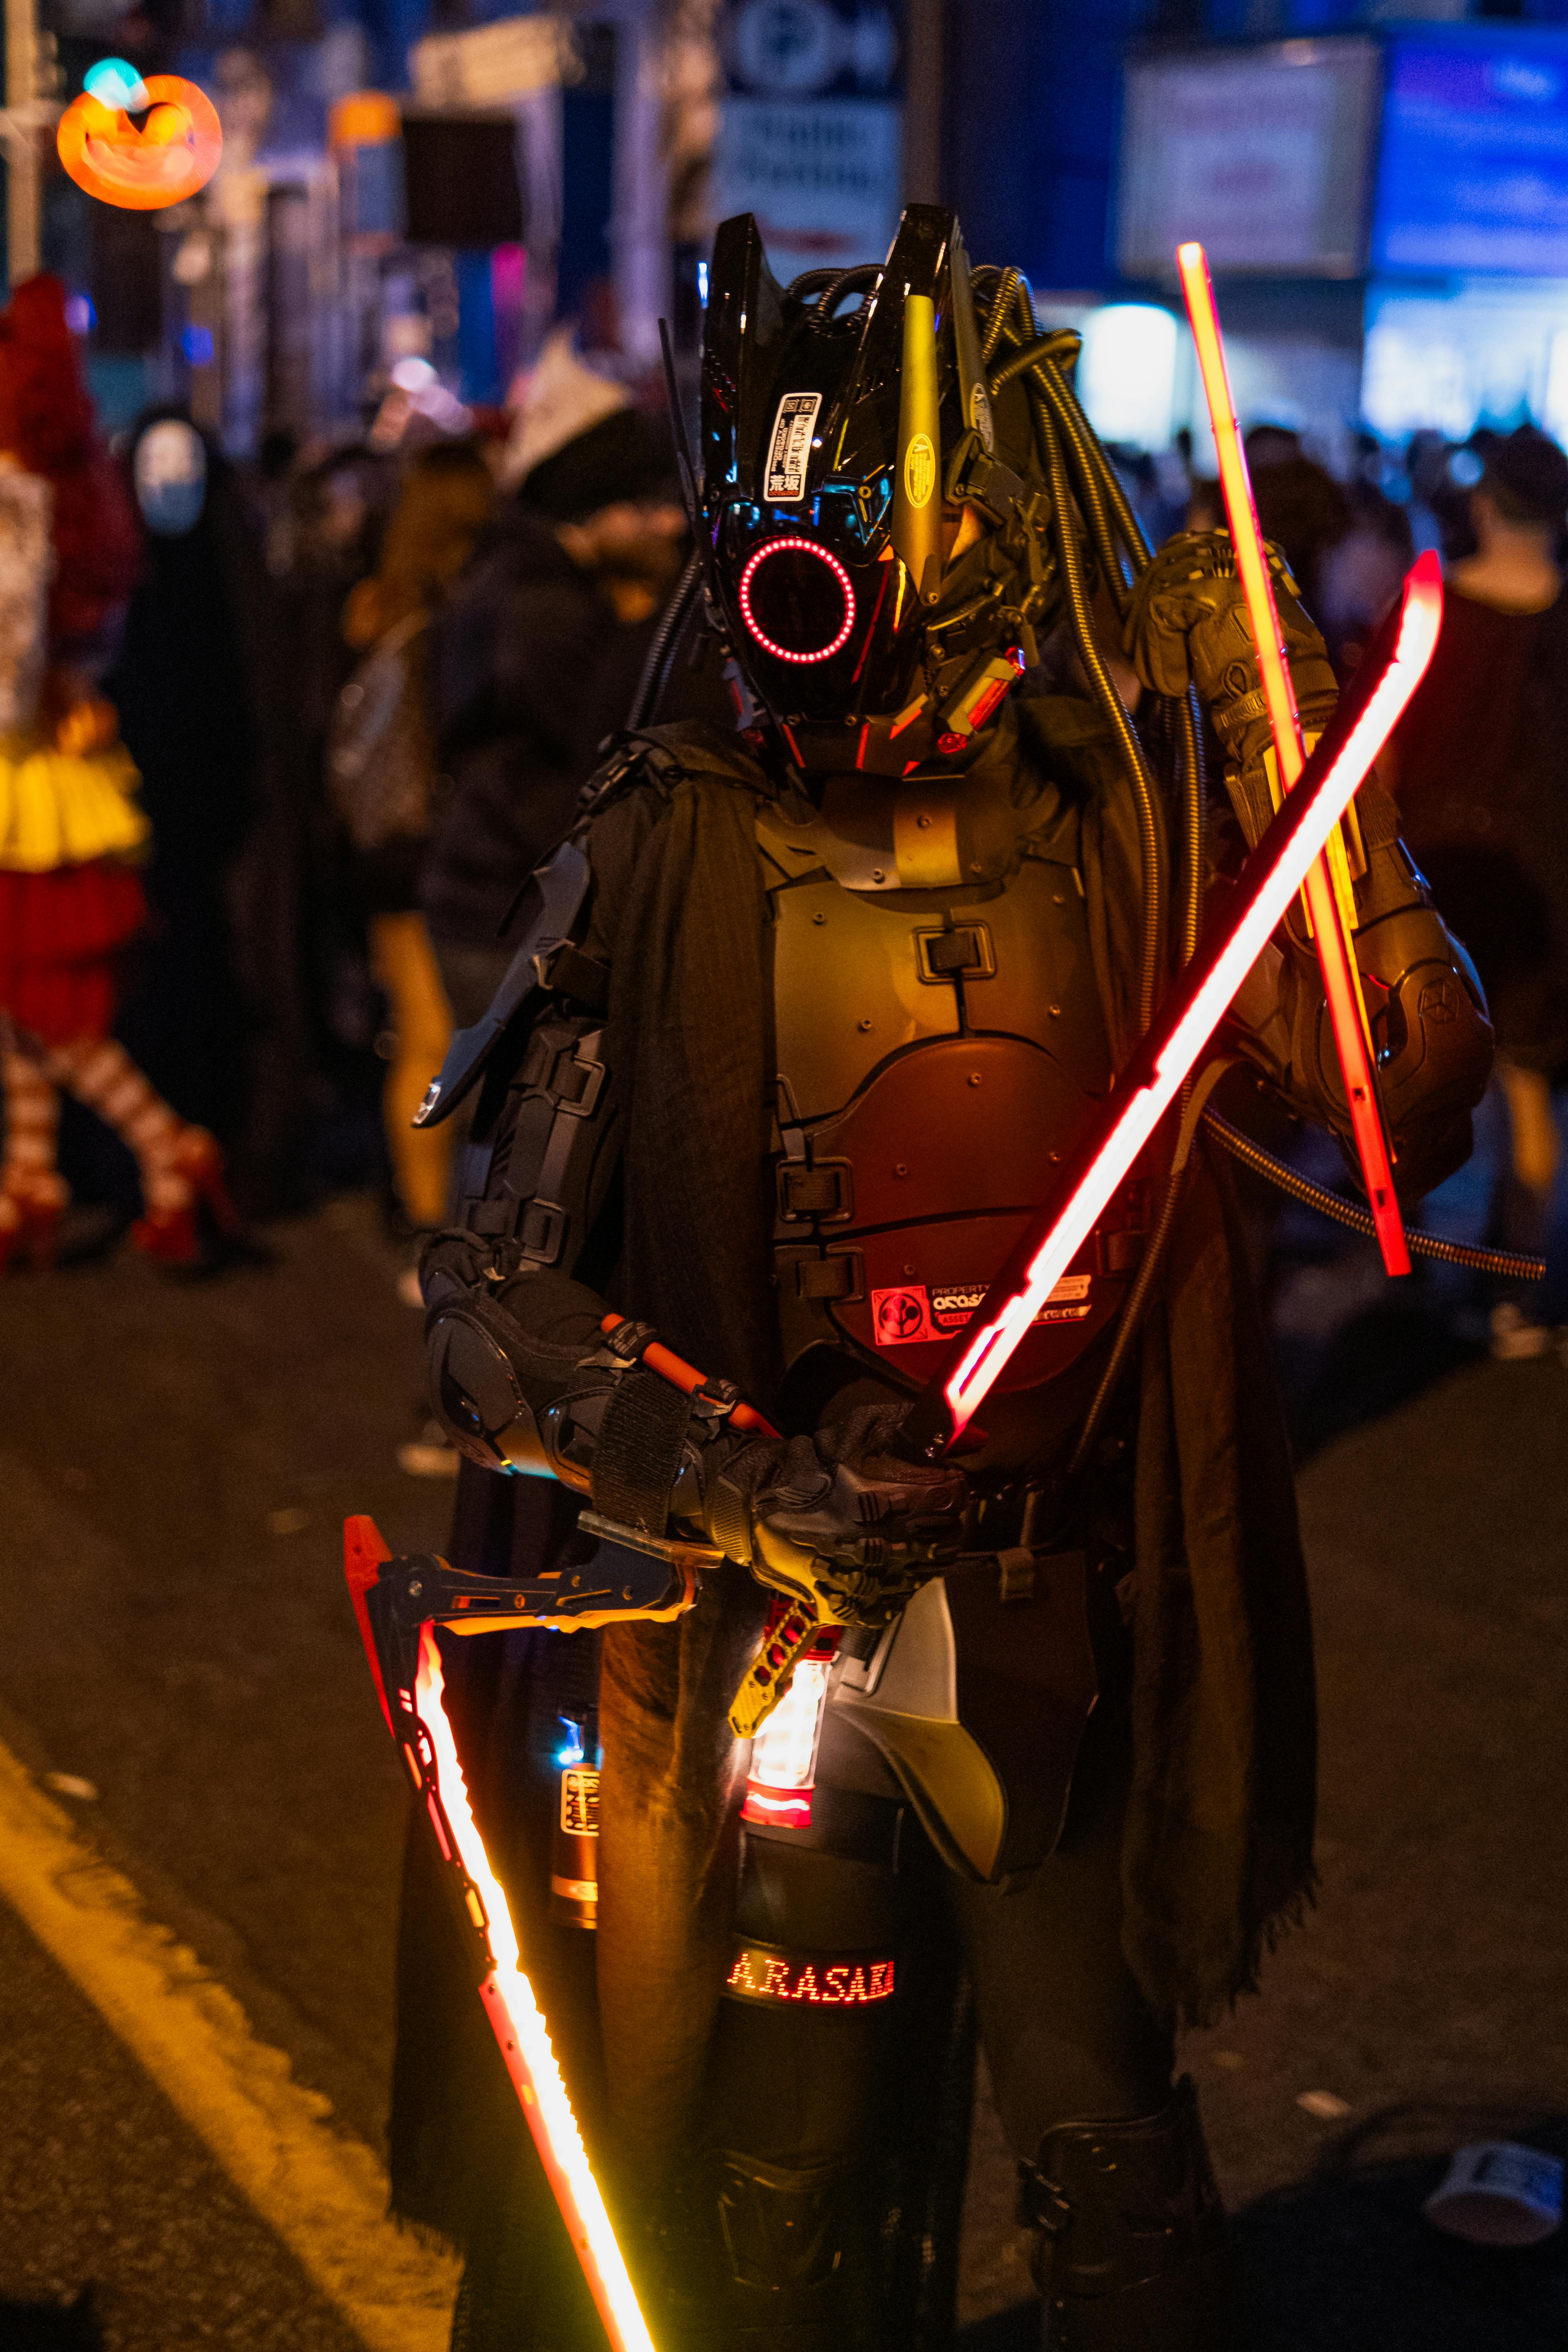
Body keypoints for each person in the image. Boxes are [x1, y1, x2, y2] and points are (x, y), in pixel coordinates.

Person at [393, 210, 1492, 2350]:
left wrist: (1278, 744)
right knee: (774, 2177)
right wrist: (738, 1476)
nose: (810, 606)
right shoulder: (667, 842)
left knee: (1112, 2170)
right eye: (773, 548)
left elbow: (1404, 1100)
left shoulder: (1141, 825)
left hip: (1033, 1605)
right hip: (771, 1626)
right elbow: (492, 1290)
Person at [0, 276, 239, 1270]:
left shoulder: (15, 486)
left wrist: (37, 693)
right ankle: (30, 1180)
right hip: (55, 772)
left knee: (39, 1007)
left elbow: (11, 654)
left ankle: (166, 1149)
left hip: (20, 771)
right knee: (21, 1005)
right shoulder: (72, 479)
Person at [418, 336, 695, 1029]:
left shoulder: (513, 582)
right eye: (642, 503)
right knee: (518, 1126)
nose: (667, 522)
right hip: (508, 907)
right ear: (590, 506)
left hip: (480, 894)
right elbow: (580, 763)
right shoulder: (549, 612)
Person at [1388, 424, 1568, 1354]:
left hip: (1436, 868)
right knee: (1529, 1085)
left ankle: (1409, 1266)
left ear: (1485, 504)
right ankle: (1523, 1282)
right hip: (1544, 875)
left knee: (1418, 1072)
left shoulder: (1432, 611)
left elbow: (1384, 739)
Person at [327, 437, 494, 1244]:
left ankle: (418, 1209)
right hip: (428, 845)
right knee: (432, 1037)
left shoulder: (378, 603)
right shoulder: (448, 614)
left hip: (383, 850)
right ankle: (428, 1226)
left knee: (417, 1031)